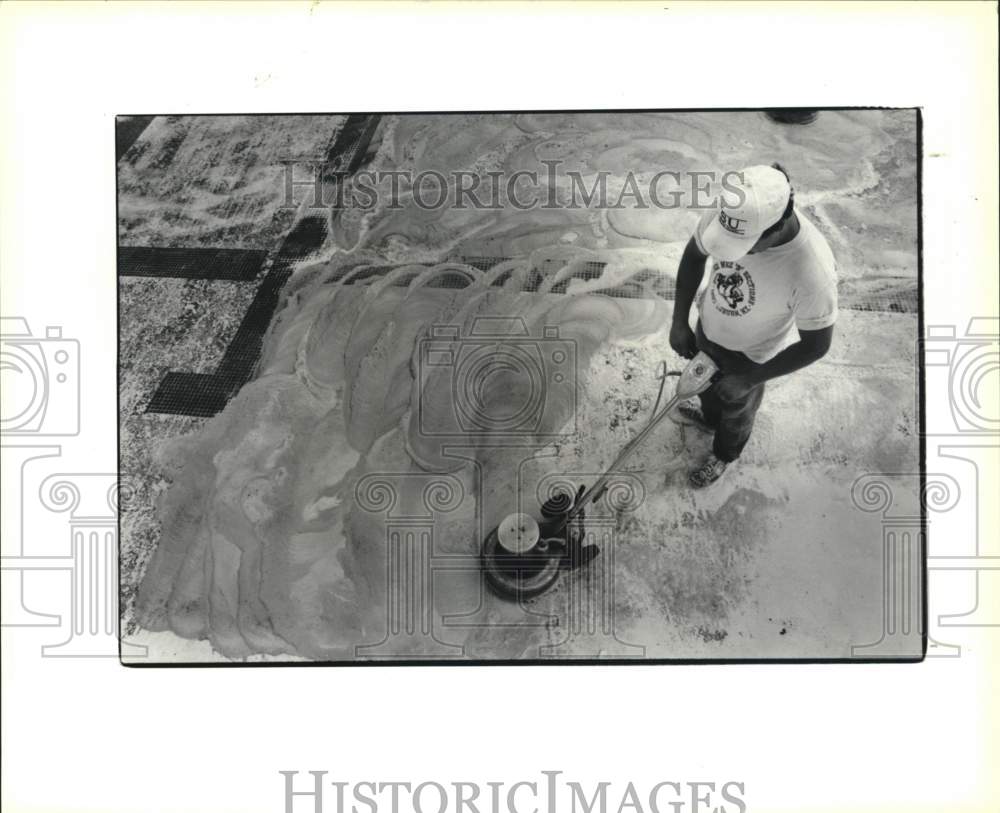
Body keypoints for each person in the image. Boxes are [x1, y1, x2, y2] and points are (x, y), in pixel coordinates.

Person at [669, 163, 838, 487]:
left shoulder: (811, 271)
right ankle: (707, 418)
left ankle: (724, 454)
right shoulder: (730, 210)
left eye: (744, 243)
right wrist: (680, 321)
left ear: (778, 225)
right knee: (707, 389)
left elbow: (817, 345)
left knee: (737, 411)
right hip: (709, 328)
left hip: (751, 357)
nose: (732, 252)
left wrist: (749, 379)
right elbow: (694, 256)